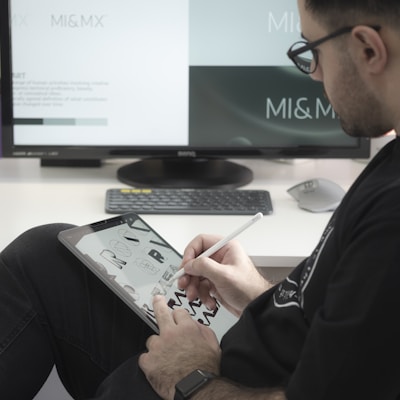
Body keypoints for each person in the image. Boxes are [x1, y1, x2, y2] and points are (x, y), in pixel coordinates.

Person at [2, 0, 400, 398]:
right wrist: (260, 296)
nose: (314, 74)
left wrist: (190, 375)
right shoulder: (390, 167)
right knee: (47, 252)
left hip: (208, 384)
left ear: (368, 49)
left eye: (312, 51)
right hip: (236, 357)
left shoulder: (391, 215)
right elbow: (347, 321)